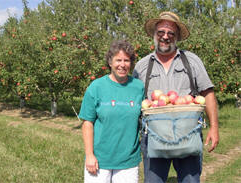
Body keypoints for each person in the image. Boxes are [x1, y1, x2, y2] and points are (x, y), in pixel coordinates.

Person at [133, 12, 219, 183]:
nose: (165, 37)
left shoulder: (192, 61)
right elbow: (135, 102)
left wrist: (214, 128)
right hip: (154, 137)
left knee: (190, 181)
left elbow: (207, 93)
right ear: (154, 35)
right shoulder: (142, 66)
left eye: (171, 33)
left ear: (177, 36)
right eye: (161, 32)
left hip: (188, 135)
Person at [79, 40, 144, 183]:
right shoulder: (96, 87)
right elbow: (87, 122)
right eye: (118, 60)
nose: (122, 64)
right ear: (110, 62)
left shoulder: (138, 87)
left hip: (128, 161)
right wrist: (89, 155)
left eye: (126, 60)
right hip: (100, 160)